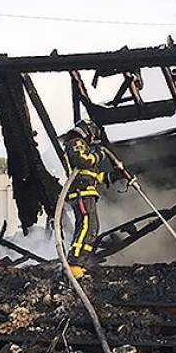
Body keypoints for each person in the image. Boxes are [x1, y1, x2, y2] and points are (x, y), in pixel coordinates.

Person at [60, 119, 128, 278]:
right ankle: (74, 263)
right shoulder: (76, 142)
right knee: (86, 228)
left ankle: (80, 263)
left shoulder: (82, 147)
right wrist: (99, 154)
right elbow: (82, 160)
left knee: (92, 229)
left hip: (87, 192)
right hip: (80, 192)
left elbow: (94, 176)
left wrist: (113, 176)